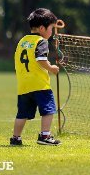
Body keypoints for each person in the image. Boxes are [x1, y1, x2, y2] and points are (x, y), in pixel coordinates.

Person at [10, 8, 61, 146]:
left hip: (24, 85)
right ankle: (45, 136)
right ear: (42, 28)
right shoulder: (41, 41)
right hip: (40, 85)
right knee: (48, 109)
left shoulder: (22, 41)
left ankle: (16, 138)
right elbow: (40, 59)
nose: (51, 32)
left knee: (22, 114)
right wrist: (51, 68)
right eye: (51, 28)